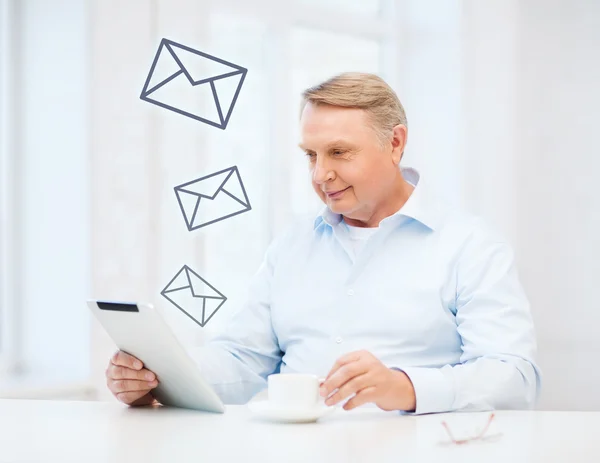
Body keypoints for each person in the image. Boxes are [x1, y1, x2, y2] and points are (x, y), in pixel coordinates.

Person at [106, 72, 541, 414]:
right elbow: (241, 359)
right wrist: (158, 379)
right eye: (311, 155)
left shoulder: (470, 245)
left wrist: (406, 387)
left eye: (339, 152)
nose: (319, 174)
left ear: (395, 143)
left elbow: (515, 375)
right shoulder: (292, 246)